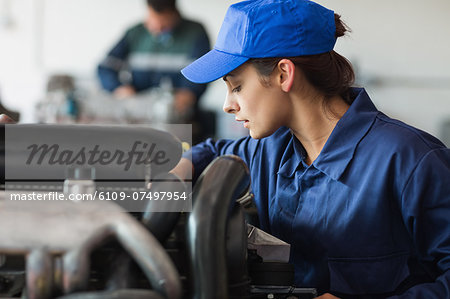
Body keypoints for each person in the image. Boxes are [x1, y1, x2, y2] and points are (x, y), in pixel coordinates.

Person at [172, 0, 450, 298]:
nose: (228, 104)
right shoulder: (270, 151)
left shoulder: (410, 160)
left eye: (236, 86)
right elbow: (215, 152)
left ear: (283, 74)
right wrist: (175, 174)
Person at [97, 0, 211, 143]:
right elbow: (105, 67)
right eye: (152, 19)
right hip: (139, 117)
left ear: (175, 13)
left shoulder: (195, 32)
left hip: (179, 116)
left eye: (163, 21)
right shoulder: (135, 33)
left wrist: (190, 92)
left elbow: (204, 70)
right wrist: (118, 88)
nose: (157, 26)